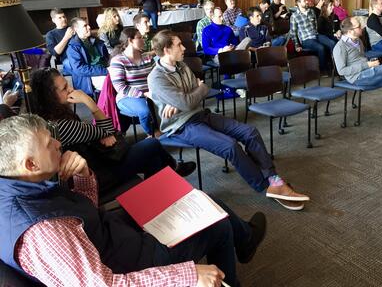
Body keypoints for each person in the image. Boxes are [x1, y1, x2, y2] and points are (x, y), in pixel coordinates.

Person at [0, 114, 267, 287]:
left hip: (110, 236)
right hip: (125, 261)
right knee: (218, 226)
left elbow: (83, 217)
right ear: (31, 163)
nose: (58, 144)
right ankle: (240, 245)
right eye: (49, 143)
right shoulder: (45, 232)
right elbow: (106, 286)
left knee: (192, 198)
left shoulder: (19, 185)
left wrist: (82, 176)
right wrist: (189, 274)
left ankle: (243, 240)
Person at [148, 30, 310, 211]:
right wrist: (190, 96)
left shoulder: (182, 65)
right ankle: (264, 186)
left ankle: (273, 178)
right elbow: (192, 96)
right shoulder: (156, 77)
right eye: (179, 45)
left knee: (250, 132)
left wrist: (185, 99)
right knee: (230, 146)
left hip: (200, 114)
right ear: (167, 50)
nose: (184, 47)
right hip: (182, 125)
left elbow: (199, 91)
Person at [30, 67, 196, 192]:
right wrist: (89, 102)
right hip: (95, 176)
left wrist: (101, 133)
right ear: (50, 96)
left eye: (68, 84)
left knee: (154, 160)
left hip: (94, 164)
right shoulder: (63, 125)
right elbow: (107, 128)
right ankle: (171, 174)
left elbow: (99, 131)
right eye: (65, 88)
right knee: (152, 144)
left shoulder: (46, 118)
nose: (71, 89)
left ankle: (160, 195)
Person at [109, 28, 157, 137]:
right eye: (139, 38)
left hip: (150, 94)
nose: (143, 40)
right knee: (145, 111)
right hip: (128, 97)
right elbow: (120, 87)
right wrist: (143, 94)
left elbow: (157, 78)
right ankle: (151, 134)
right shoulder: (118, 60)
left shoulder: (148, 58)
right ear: (130, 41)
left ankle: (165, 130)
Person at [66, 17, 109, 96]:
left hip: (105, 69)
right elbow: (80, 69)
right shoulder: (73, 48)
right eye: (85, 26)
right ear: (76, 29)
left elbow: (106, 58)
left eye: (88, 25)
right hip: (89, 77)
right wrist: (106, 71)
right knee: (112, 82)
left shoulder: (96, 41)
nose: (89, 27)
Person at [290, 0, 330, 72]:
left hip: (316, 35)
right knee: (321, 48)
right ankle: (322, 70)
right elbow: (293, 33)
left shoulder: (311, 11)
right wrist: (297, 45)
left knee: (331, 43)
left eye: (306, 0)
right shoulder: (294, 16)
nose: (307, 2)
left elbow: (315, 25)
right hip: (306, 39)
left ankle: (333, 66)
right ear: (298, 3)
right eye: (304, 1)